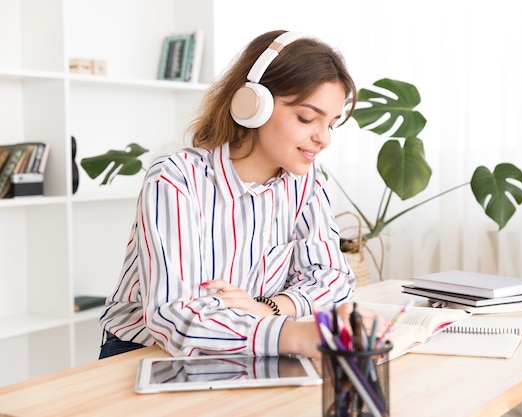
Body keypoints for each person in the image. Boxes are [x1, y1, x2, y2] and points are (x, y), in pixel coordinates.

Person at [99, 29, 385, 360]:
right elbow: (176, 317)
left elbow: (335, 280)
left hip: (253, 345)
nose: (323, 138)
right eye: (307, 117)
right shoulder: (176, 179)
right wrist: (292, 332)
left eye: (331, 124)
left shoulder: (305, 182)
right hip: (144, 351)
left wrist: (270, 307)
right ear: (253, 104)